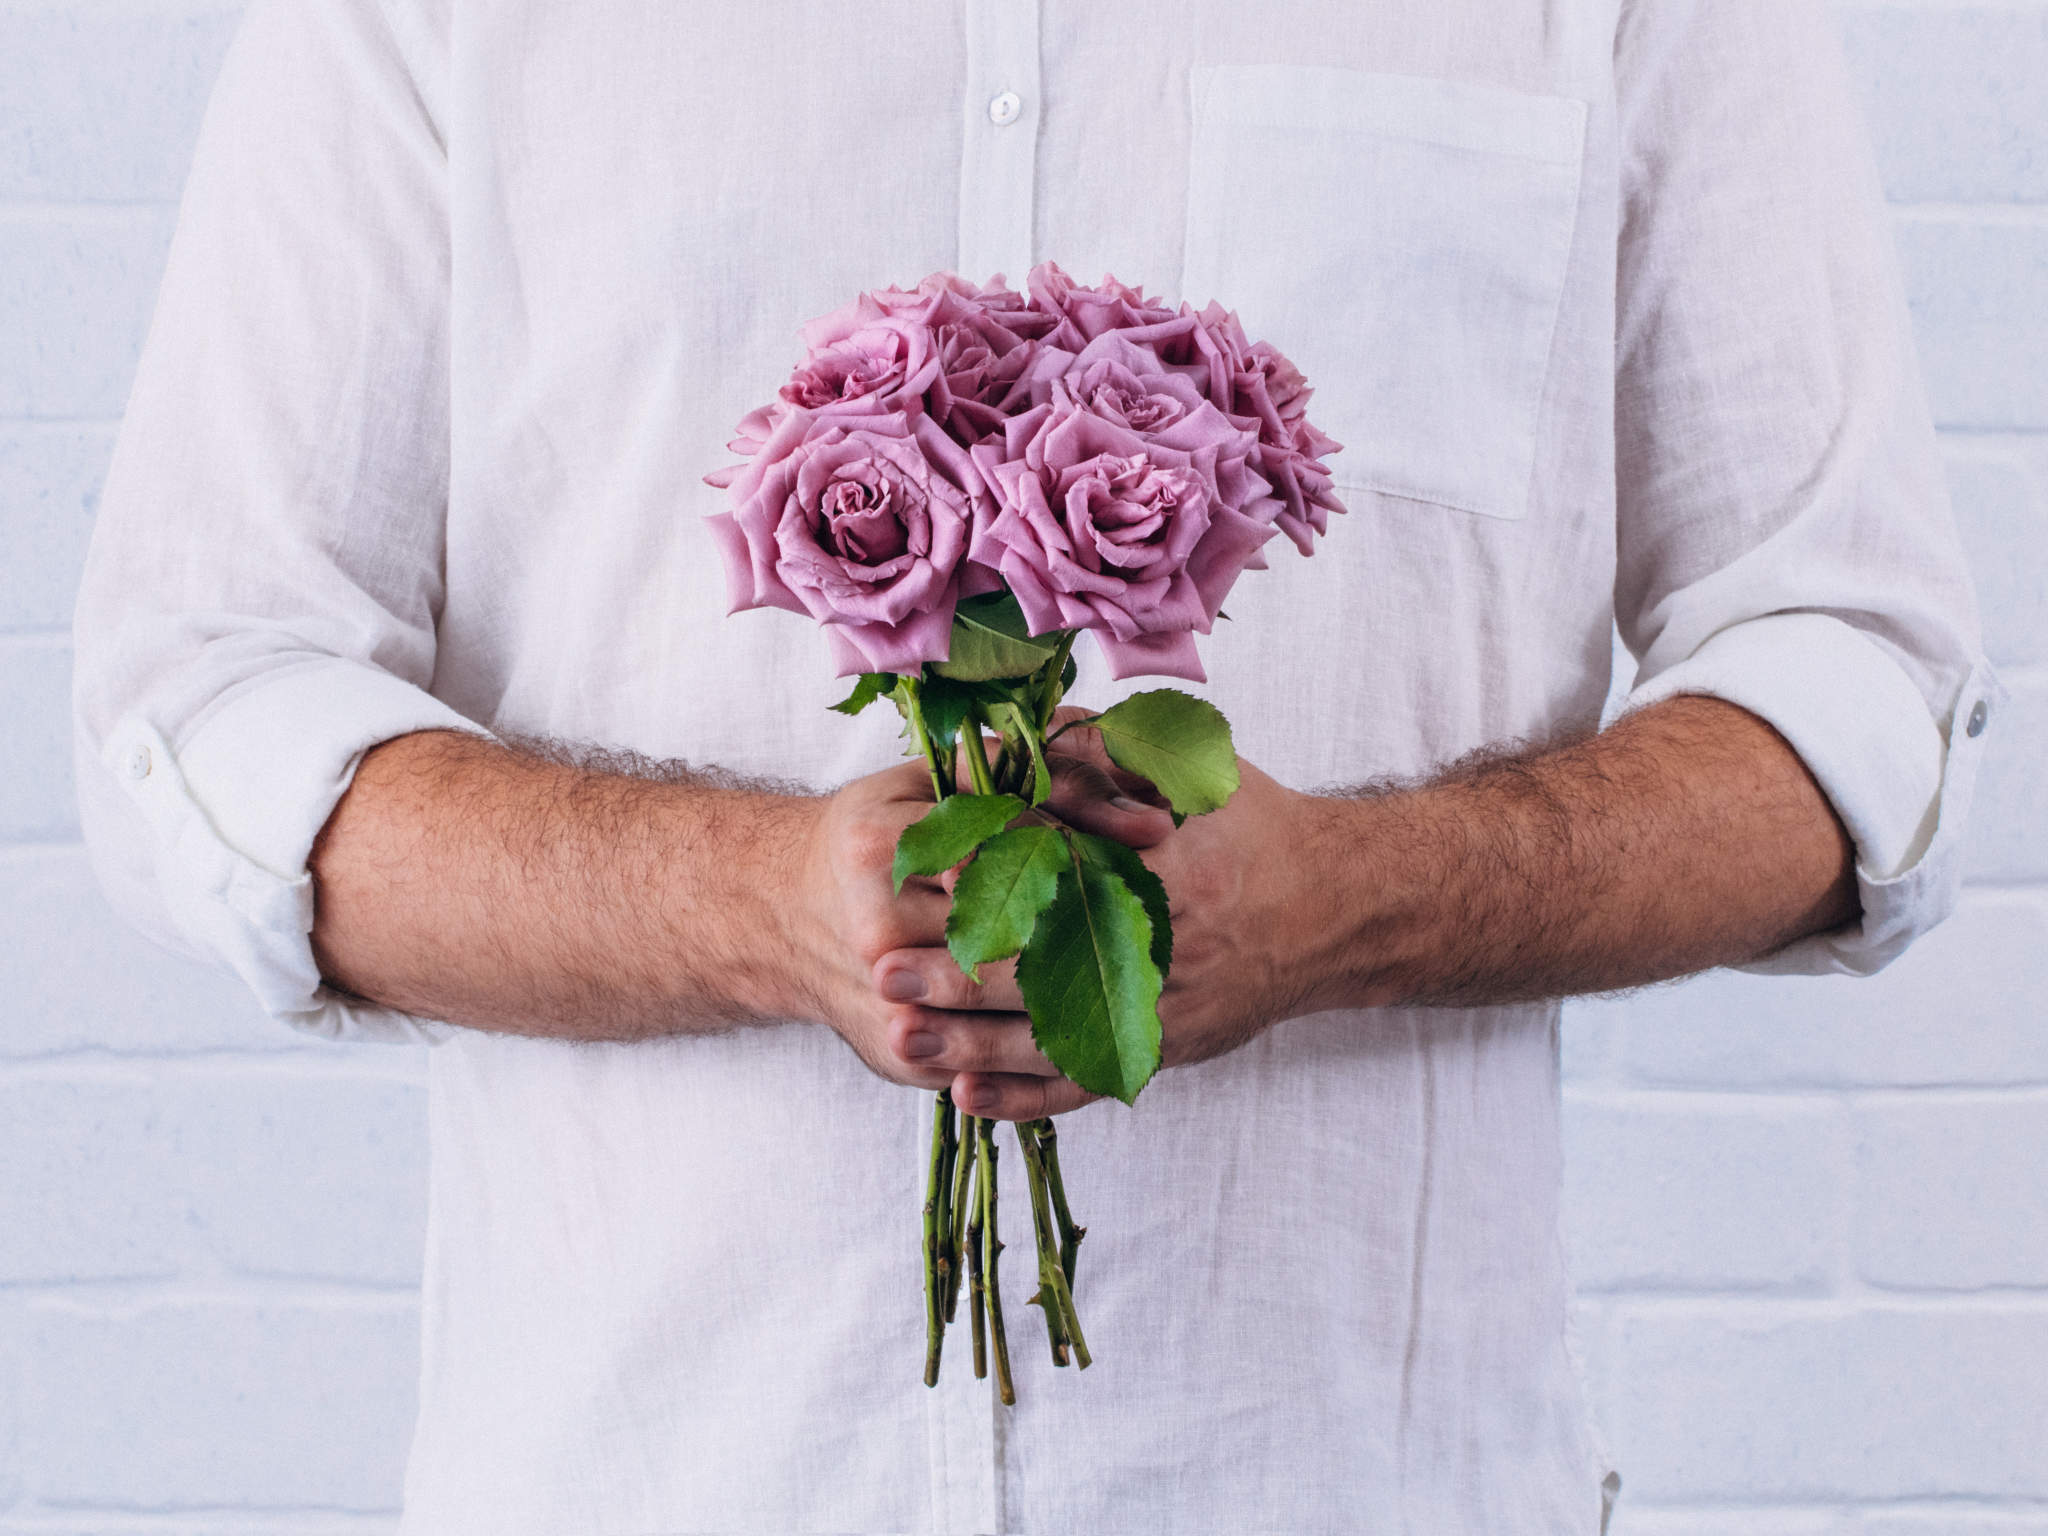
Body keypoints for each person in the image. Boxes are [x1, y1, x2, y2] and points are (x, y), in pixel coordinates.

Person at [71, 0, 1996, 1531]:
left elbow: (1856, 694)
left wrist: (1352, 901)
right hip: (657, 1481)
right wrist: (754, 907)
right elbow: (210, 704)